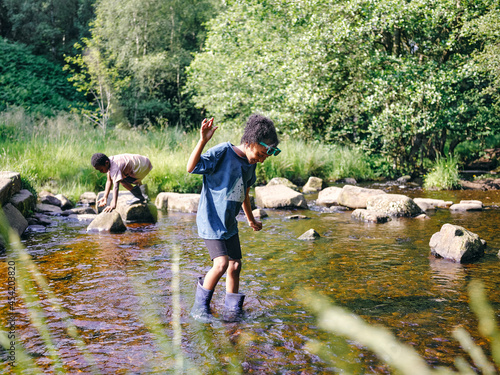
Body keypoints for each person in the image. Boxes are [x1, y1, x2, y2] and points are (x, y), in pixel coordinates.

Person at [187, 114, 280, 322]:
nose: (262, 159)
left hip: (229, 223)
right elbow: (191, 167)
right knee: (221, 264)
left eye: (265, 157)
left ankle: (232, 311)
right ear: (249, 142)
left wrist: (250, 219)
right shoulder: (223, 152)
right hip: (211, 220)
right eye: (261, 153)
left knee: (235, 265)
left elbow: (244, 192)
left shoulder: (250, 164)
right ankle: (199, 308)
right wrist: (203, 140)